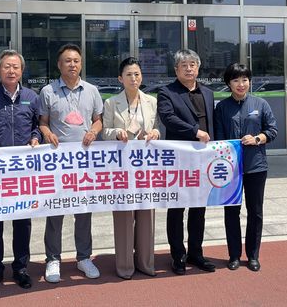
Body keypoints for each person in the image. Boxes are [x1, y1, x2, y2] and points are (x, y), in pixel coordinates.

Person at [0, 50, 40, 292]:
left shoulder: (32, 97)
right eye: (6, 66)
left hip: (23, 172)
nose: (11, 71)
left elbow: (38, 125)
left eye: (15, 67)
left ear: (22, 71)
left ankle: (21, 268)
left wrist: (36, 137)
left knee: (22, 221)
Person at [38, 43, 103, 283]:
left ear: (81, 64)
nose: (72, 65)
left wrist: (94, 131)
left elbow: (98, 120)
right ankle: (53, 259)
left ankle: (84, 257)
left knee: (83, 211)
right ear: (59, 65)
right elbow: (43, 122)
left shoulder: (92, 90)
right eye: (67, 61)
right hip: (58, 162)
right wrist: (47, 133)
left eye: (76, 61)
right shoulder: (48, 91)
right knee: (55, 210)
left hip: (84, 161)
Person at [156, 49, 215, 275]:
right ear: (176, 70)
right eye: (184, 65)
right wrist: (195, 132)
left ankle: (196, 253)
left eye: (193, 65)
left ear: (198, 68)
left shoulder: (207, 93)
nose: (189, 69)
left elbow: (212, 123)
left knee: (199, 208)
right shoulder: (167, 92)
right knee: (177, 209)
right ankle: (178, 255)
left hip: (203, 160)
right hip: (179, 160)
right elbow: (168, 119)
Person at [214, 63, 277, 272]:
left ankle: (253, 255)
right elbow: (219, 138)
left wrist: (257, 138)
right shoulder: (222, 107)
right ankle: (233, 255)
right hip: (231, 168)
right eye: (236, 80)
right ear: (228, 83)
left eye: (245, 80)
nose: (241, 84)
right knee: (231, 211)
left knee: (255, 211)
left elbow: (272, 130)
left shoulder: (261, 104)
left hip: (256, 166)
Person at [102, 57, 160, 280]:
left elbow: (157, 129)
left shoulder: (151, 101)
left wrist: (155, 133)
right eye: (128, 74)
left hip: (146, 168)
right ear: (120, 78)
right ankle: (125, 266)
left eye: (137, 74)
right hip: (121, 169)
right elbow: (104, 132)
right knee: (124, 216)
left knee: (146, 216)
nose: (133, 78)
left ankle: (146, 263)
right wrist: (116, 133)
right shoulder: (111, 103)